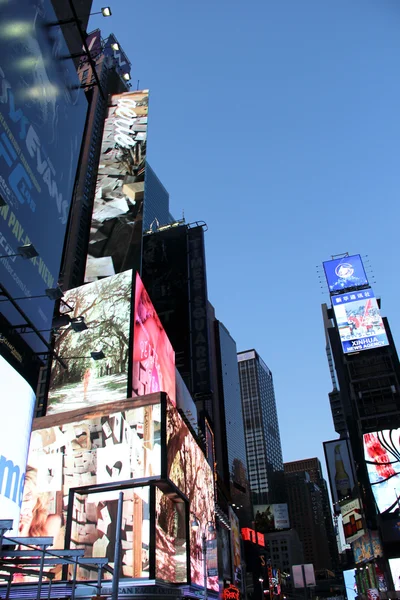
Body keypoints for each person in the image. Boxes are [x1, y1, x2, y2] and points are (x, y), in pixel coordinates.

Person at [19, 467, 61, 540]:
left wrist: (24, 530)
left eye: (28, 497)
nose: (23, 503)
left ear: (38, 498)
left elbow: (42, 551)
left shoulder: (51, 521)